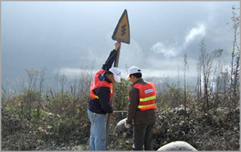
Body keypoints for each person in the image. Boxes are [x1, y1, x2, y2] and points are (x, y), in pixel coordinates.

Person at [87, 41, 122, 151]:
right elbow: (105, 105)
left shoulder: (102, 73)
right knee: (100, 138)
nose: (114, 82)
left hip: (91, 110)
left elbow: (108, 62)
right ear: (111, 75)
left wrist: (115, 49)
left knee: (94, 135)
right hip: (98, 113)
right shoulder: (104, 87)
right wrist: (110, 110)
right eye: (114, 79)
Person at [125, 66, 157, 150]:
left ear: (133, 77)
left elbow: (132, 108)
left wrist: (128, 121)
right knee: (148, 142)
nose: (130, 81)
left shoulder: (135, 89)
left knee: (138, 144)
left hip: (140, 121)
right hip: (152, 118)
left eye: (130, 78)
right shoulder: (150, 86)